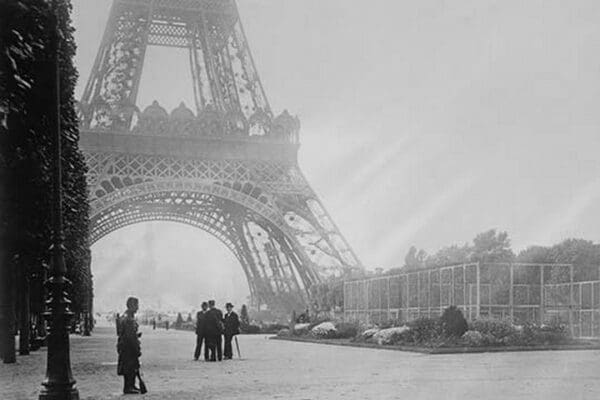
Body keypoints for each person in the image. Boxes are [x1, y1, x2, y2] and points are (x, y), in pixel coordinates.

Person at [117, 297, 142, 394]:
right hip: (129, 347)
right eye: (136, 305)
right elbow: (130, 337)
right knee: (130, 366)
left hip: (124, 346)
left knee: (129, 366)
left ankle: (130, 385)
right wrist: (137, 349)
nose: (137, 308)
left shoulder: (126, 316)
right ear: (131, 306)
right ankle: (128, 387)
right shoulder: (129, 319)